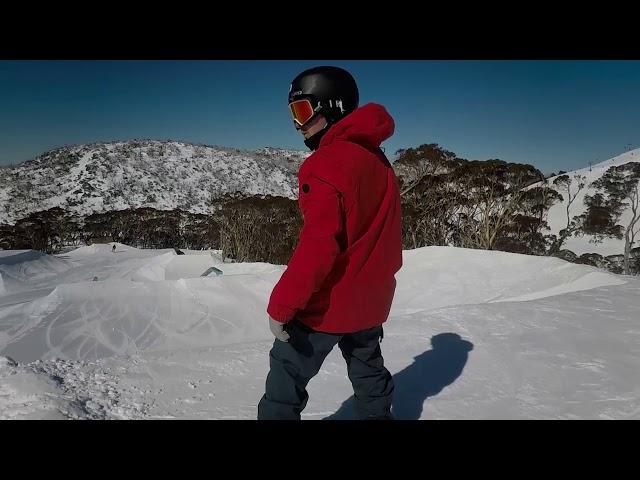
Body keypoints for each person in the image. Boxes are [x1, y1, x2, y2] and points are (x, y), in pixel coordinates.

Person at [257, 66, 403, 420]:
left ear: (332, 106)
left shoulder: (323, 164)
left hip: (329, 305)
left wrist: (283, 305)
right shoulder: (379, 162)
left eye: (304, 111)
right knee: (368, 370)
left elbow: (319, 246)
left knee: (286, 376)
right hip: (370, 302)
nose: (297, 124)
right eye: (293, 114)